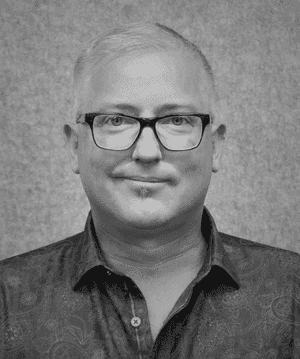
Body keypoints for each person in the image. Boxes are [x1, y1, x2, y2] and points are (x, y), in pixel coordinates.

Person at [0, 22, 299, 359]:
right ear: (74, 147)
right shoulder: (7, 300)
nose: (146, 152)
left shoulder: (292, 294)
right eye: (116, 120)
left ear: (215, 147)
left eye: (176, 121)